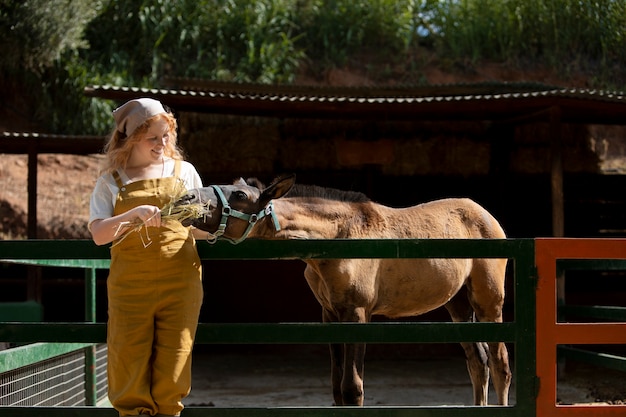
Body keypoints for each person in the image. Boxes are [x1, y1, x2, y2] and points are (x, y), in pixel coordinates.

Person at [89, 98, 204, 416]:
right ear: (131, 138)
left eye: (166, 136)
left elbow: (200, 227)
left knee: (175, 364)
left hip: (180, 284)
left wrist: (224, 225)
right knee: (128, 361)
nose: (162, 144)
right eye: (153, 137)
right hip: (130, 289)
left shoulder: (185, 173)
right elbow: (99, 235)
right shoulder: (111, 181)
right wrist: (135, 214)